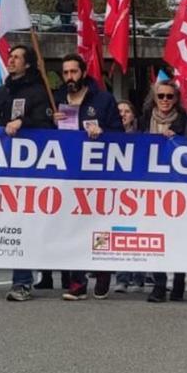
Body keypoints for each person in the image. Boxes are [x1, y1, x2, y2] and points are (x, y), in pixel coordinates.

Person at [52, 54, 123, 301]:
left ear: (83, 72)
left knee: (99, 224)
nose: (69, 77)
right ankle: (77, 281)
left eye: (74, 71)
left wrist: (103, 131)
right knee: (72, 227)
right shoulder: (57, 98)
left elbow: (120, 134)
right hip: (67, 174)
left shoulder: (102, 100)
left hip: (97, 174)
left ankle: (102, 273)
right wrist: (51, 123)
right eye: (66, 72)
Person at [0, 45, 54, 302]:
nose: (10, 60)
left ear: (27, 64)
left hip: (31, 170)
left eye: (16, 57)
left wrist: (23, 122)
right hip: (2, 167)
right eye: (10, 57)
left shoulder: (38, 92)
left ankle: (22, 282)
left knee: (24, 222)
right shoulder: (1, 91)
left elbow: (47, 124)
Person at [139, 79, 187, 303]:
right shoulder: (145, 118)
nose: (165, 100)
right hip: (152, 187)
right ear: (154, 98)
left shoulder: (186, 121)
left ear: (176, 99)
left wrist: (179, 140)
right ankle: (159, 284)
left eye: (170, 96)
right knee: (155, 236)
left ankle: (178, 284)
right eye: (161, 96)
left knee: (178, 237)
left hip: (178, 187)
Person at [114, 99, 146, 294]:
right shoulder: (109, 136)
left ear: (133, 116)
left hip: (139, 191)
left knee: (138, 234)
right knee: (120, 234)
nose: (123, 114)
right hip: (117, 191)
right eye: (119, 111)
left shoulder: (142, 137)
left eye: (127, 111)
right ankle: (122, 278)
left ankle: (138, 278)